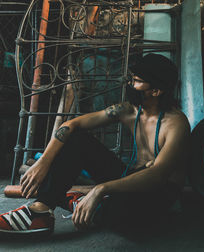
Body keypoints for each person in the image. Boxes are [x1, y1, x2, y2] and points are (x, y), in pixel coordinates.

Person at [0, 53, 191, 234]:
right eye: (132, 78)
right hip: (130, 176)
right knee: (77, 139)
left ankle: (85, 203)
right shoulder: (127, 110)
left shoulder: (176, 123)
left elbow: (157, 176)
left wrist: (100, 189)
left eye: (138, 81)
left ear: (156, 90)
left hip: (158, 193)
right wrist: (44, 163)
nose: (130, 84)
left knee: (121, 217)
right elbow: (71, 125)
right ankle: (40, 211)